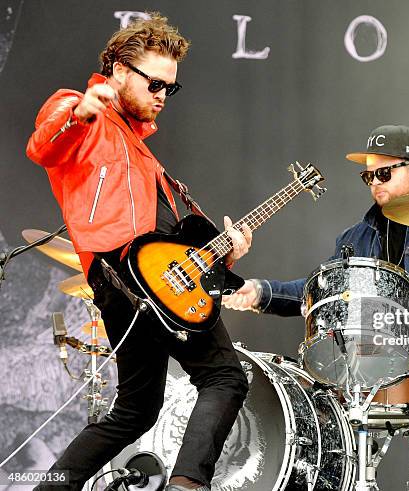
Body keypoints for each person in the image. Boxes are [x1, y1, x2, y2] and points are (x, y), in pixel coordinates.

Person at [26, 14, 251, 491]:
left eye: (170, 87)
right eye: (153, 82)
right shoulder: (82, 110)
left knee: (135, 410)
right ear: (119, 70)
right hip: (138, 274)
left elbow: (177, 231)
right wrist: (81, 112)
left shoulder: (144, 153)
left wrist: (225, 252)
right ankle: (188, 485)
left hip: (141, 281)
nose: (162, 95)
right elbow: (43, 145)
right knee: (225, 377)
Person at [223, 124, 409, 478]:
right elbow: (322, 290)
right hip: (372, 358)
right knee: (321, 389)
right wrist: (261, 292)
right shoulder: (356, 237)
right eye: (368, 176)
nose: (375, 182)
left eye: (384, 173)